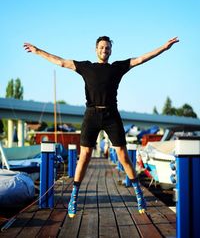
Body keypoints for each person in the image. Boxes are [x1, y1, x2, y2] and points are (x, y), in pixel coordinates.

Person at [23, 36, 179, 217]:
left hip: (111, 114)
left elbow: (141, 59)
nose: (104, 49)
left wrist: (164, 48)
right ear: (96, 49)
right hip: (91, 114)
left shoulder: (117, 67)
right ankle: (74, 196)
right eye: (102, 47)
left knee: (123, 155)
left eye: (107, 47)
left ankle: (138, 192)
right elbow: (61, 62)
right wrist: (37, 51)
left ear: (110, 51)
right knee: (85, 156)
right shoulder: (86, 67)